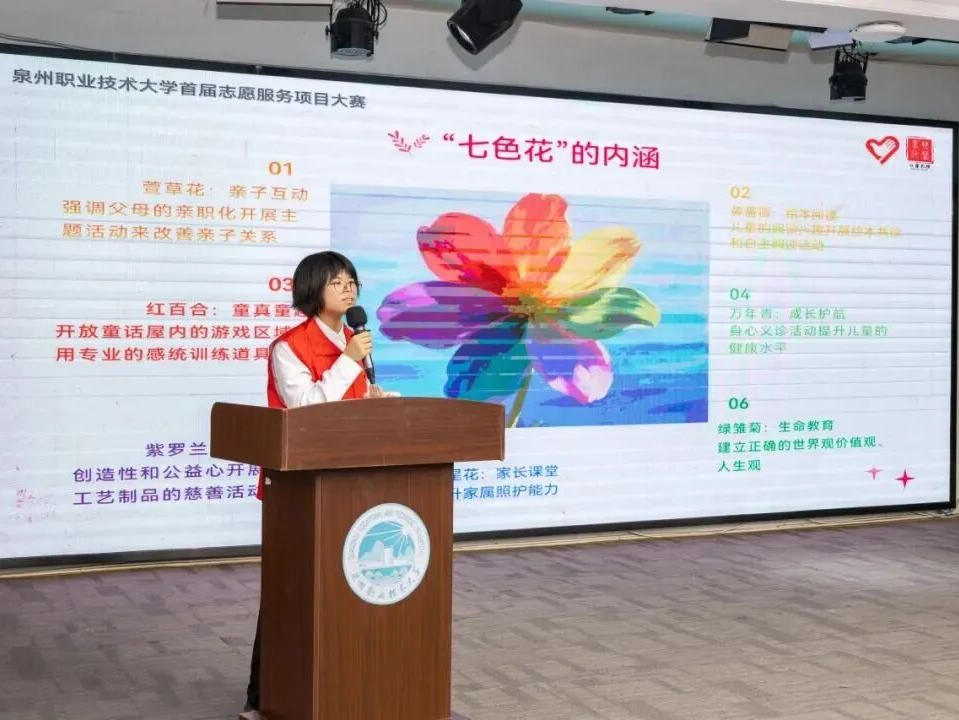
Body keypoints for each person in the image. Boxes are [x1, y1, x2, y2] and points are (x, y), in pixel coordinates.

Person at [244, 250, 392, 714]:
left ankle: (343, 686)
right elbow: (306, 410)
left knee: (346, 588)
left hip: (352, 483)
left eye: (351, 281)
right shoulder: (289, 347)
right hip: (300, 488)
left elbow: (350, 409)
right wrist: (348, 361)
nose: (348, 289)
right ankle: (269, 694)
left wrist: (378, 400)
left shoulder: (353, 340)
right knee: (293, 589)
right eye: (336, 282)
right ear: (312, 289)